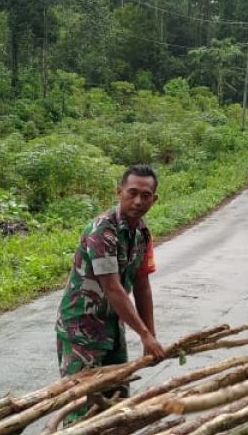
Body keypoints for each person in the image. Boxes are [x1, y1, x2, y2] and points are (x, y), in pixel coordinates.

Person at [55, 164, 166, 390]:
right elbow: (112, 287)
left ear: (154, 200)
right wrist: (144, 334)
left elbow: (142, 285)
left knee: (116, 398)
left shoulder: (142, 234)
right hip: (82, 330)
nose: (137, 201)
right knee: (82, 403)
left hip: (112, 328)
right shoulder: (102, 231)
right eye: (132, 193)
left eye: (145, 196)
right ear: (119, 192)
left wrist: (151, 335)